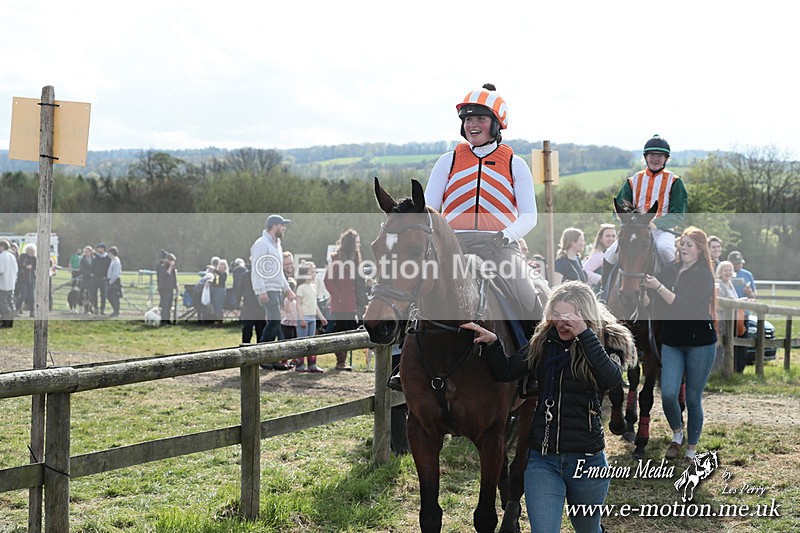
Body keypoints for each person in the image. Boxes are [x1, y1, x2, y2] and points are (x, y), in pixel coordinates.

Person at [476, 281, 636, 533]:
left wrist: (585, 335)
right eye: (556, 315)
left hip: (588, 461)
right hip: (543, 460)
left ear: (585, 315)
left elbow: (611, 379)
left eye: (569, 316)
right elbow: (506, 371)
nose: (561, 322)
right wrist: (494, 344)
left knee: (588, 530)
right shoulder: (543, 341)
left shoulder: (608, 340)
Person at [423, 83, 538, 311]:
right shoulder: (448, 160)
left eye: (480, 119)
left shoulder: (516, 164)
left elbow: (529, 216)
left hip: (500, 246)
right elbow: (427, 210)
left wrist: (503, 237)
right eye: (467, 120)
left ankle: (537, 345)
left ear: (496, 125)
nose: (472, 125)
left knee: (527, 296)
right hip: (452, 245)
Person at [643, 227, 717, 462]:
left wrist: (658, 288)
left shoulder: (704, 275)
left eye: (689, 245)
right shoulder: (670, 270)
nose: (683, 248)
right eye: (682, 244)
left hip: (700, 344)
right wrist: (645, 296)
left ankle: (691, 450)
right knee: (668, 395)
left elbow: (683, 306)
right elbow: (656, 301)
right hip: (672, 342)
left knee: (693, 398)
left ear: (699, 250)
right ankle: (677, 434)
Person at [604, 135, 688, 278]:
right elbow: (617, 209)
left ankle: (674, 289)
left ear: (666, 158)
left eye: (659, 156)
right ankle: (603, 292)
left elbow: (678, 214)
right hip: (634, 229)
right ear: (645, 157)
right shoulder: (633, 180)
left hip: (661, 230)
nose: (655, 159)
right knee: (610, 254)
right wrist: (627, 222)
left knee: (665, 250)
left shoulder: (675, 182)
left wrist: (656, 223)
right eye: (651, 155)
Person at [251, 215, 295, 369]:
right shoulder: (261, 244)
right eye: (282, 225)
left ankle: (271, 358)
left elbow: (278, 272)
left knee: (275, 323)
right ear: (274, 226)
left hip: (275, 289)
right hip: (267, 289)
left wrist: (287, 289)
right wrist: (261, 290)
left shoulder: (277, 245)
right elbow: (256, 269)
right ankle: (261, 356)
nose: (284, 228)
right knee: (275, 321)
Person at [323, 228, 367, 371]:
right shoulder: (337, 260)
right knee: (340, 332)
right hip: (341, 304)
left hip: (353, 303)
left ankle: (343, 361)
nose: (359, 245)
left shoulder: (355, 259)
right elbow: (328, 280)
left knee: (349, 330)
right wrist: (339, 297)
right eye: (357, 242)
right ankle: (340, 361)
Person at [292, 262, 328, 372]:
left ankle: (312, 365)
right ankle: (300, 365)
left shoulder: (314, 287)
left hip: (312, 318)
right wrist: (302, 319)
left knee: (311, 342)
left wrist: (321, 317)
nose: (314, 273)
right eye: (311, 271)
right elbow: (298, 304)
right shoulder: (301, 288)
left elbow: (314, 305)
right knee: (302, 342)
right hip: (304, 318)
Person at [714, 260, 746, 373]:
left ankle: (727, 370)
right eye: (725, 270)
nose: (728, 272)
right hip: (722, 320)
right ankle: (717, 371)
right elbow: (719, 302)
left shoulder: (730, 283)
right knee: (720, 346)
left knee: (728, 345)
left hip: (731, 320)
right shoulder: (719, 283)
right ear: (720, 272)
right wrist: (738, 302)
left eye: (730, 270)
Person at [238, 259, 266, 344]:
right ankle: (247, 347)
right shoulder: (245, 276)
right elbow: (239, 291)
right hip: (251, 306)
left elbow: (239, 291)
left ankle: (259, 347)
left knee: (259, 329)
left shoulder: (262, 276)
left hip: (258, 306)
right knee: (248, 329)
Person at [583, 224, 616, 290]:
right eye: (607, 236)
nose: (611, 239)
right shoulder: (599, 255)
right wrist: (600, 279)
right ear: (601, 239)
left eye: (613, 236)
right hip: (601, 292)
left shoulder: (617, 254)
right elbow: (585, 270)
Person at [0, 239, 18, 328]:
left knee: (3, 303)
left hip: (3, 284)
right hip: (11, 283)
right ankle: (10, 321)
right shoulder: (12, 256)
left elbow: (1, 270)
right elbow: (16, 270)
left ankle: (5, 321)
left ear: (2, 247)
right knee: (11, 302)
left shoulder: (2, 257)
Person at [157, 252, 178, 326]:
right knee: (165, 305)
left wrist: (176, 285)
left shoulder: (172, 269)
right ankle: (164, 321)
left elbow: (173, 278)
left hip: (170, 289)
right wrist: (170, 267)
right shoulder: (162, 267)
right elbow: (166, 276)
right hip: (164, 289)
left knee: (169, 305)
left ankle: (168, 321)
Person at [16, 243, 36, 317]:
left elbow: (36, 266)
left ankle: (32, 312)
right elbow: (19, 264)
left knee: (32, 297)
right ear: (26, 250)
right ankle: (16, 309)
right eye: (29, 250)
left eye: (32, 250)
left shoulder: (35, 258)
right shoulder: (23, 256)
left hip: (31, 280)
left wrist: (32, 266)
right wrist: (25, 266)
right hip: (23, 279)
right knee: (23, 295)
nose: (30, 252)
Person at [91, 243, 111, 315]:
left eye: (99, 248)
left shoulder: (107, 258)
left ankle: (102, 309)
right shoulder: (96, 257)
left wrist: (106, 276)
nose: (98, 250)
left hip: (103, 278)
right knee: (94, 293)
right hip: (95, 278)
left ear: (103, 249)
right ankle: (95, 307)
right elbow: (93, 266)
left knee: (103, 295)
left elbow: (108, 268)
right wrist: (92, 273)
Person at [105, 246, 122, 318]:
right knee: (110, 296)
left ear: (111, 253)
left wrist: (111, 282)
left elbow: (115, 274)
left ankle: (116, 311)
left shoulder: (116, 262)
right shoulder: (113, 260)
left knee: (113, 296)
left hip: (114, 281)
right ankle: (115, 310)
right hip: (112, 280)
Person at [79, 245, 94, 314]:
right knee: (84, 294)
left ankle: (91, 307)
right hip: (85, 279)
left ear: (91, 252)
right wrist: (88, 274)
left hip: (92, 279)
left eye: (87, 252)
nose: (86, 253)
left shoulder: (94, 259)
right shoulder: (82, 259)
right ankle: (85, 308)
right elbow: (81, 269)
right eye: (85, 252)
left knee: (92, 294)